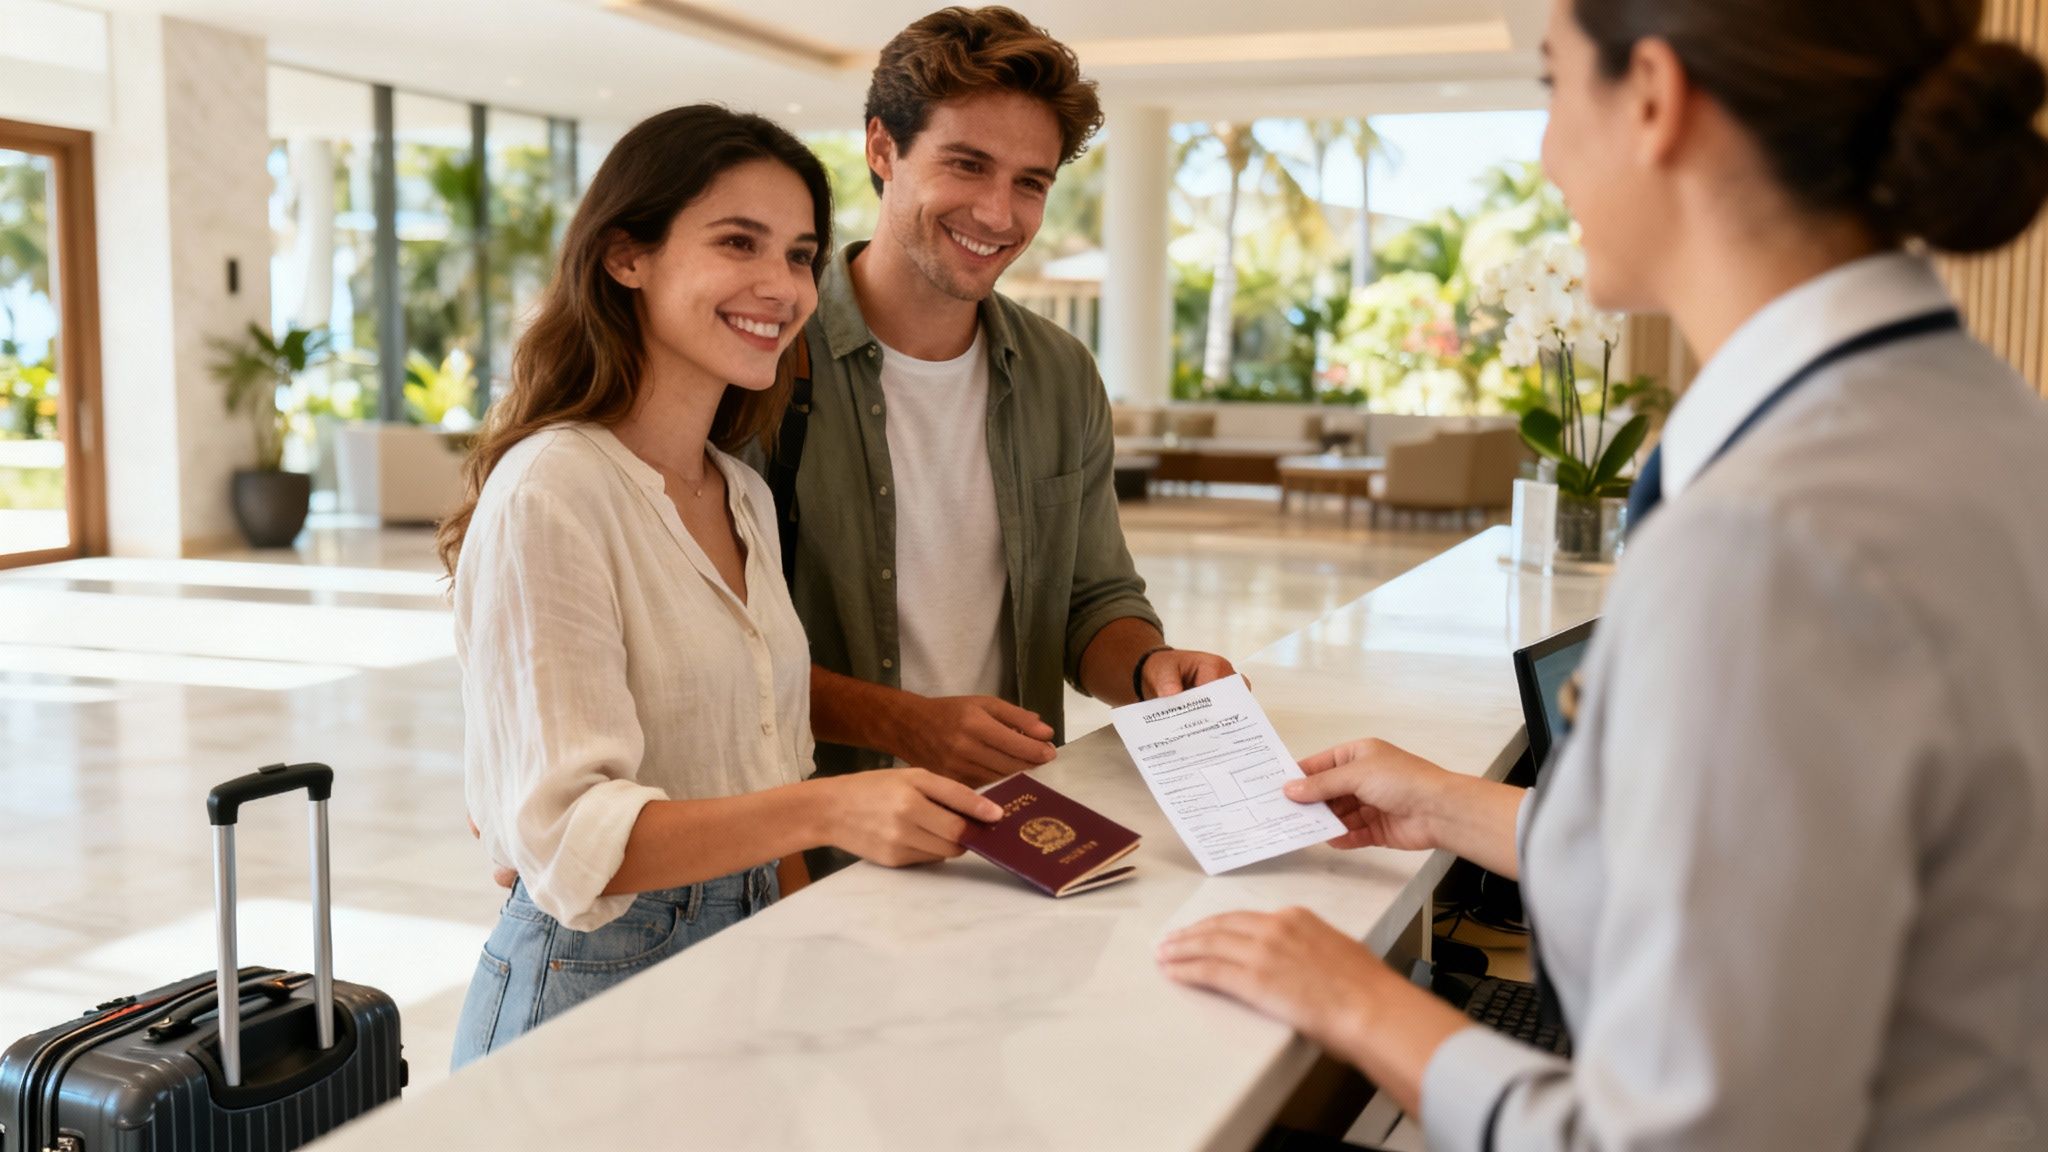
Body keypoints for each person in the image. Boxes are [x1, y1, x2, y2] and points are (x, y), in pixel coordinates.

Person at [1158, 1, 2048, 1147]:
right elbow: (1795, 869)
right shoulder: (1979, 423)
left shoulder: (1767, 539)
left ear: (1650, 99)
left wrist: (1356, 999)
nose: (1542, 157)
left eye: (1550, 85)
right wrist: (1452, 806)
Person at [439, 105, 1004, 1069]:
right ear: (627, 257)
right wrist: (834, 810)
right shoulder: (553, 489)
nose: (781, 287)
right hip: (587, 994)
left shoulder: (735, 488)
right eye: (738, 242)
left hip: (747, 958)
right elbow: (571, 839)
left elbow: (764, 761)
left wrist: (801, 937)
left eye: (798, 255)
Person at [767, 7, 1236, 825]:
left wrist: (1152, 669)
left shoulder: (1060, 372)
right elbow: (703, 650)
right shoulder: (766, 360)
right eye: (967, 165)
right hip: (820, 836)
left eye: (1031, 182)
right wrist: (901, 721)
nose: (998, 214)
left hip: (1017, 825)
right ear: (883, 149)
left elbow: (1093, 599)